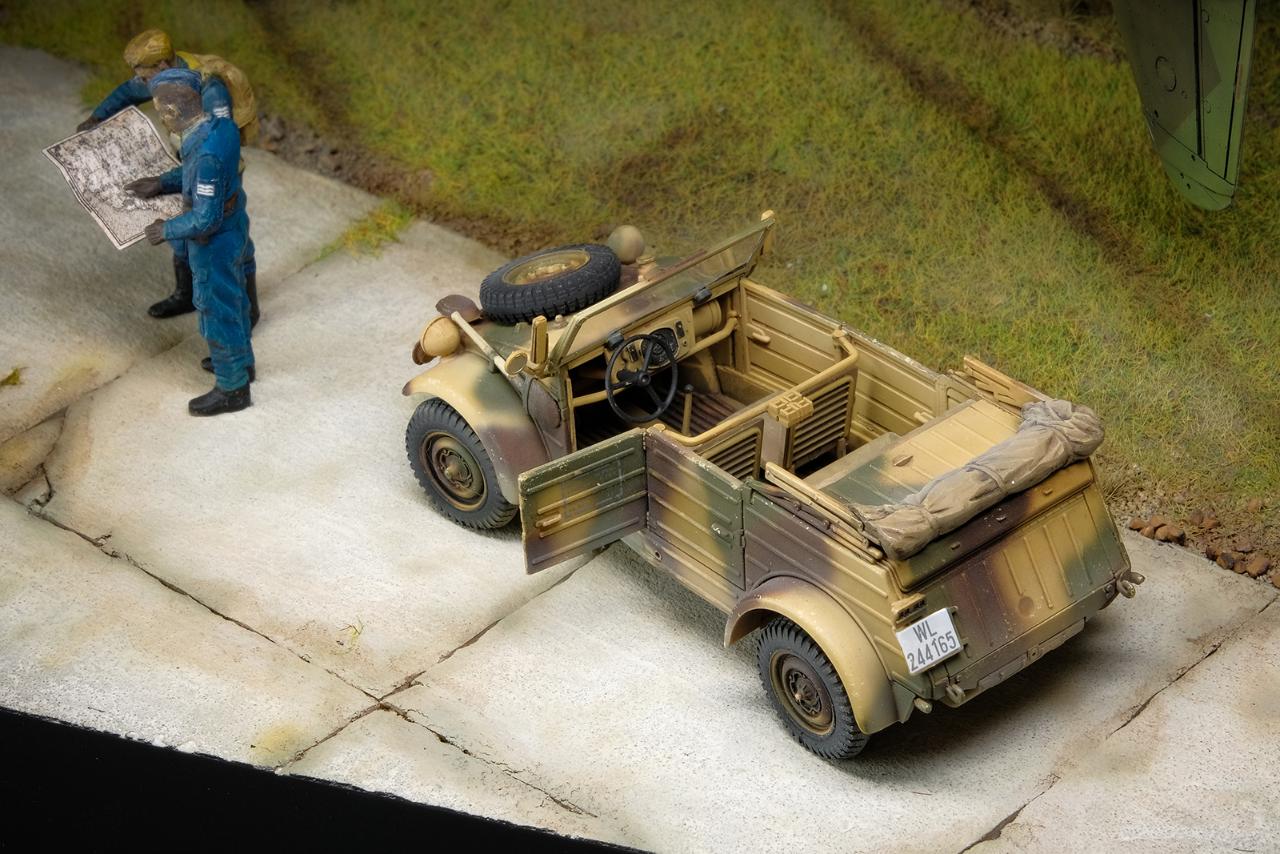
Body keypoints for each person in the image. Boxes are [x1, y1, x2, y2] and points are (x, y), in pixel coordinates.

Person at [81, 29, 259, 327]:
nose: (142, 82)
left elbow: (221, 141)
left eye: (145, 74)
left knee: (228, 239)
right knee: (180, 232)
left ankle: (248, 309)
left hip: (217, 170)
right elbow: (128, 92)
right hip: (185, 165)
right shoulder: (163, 77)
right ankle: (186, 294)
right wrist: (96, 118)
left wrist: (200, 174)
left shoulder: (210, 87)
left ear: (162, 65)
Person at [142, 69, 254, 416]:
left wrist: (166, 229)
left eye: (161, 111)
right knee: (235, 301)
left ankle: (232, 388)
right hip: (234, 229)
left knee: (216, 312)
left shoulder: (205, 154)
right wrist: (162, 182)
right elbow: (197, 174)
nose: (161, 118)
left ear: (173, 111)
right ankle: (242, 364)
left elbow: (206, 218)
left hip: (214, 243)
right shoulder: (220, 128)